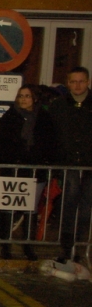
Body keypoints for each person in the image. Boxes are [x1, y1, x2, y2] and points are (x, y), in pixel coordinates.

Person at [0, 85, 55, 260]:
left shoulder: (43, 118)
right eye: (20, 96)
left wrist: (44, 162)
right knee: (8, 208)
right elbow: (2, 144)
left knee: (31, 210)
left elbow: (49, 143)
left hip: (35, 170)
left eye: (27, 96)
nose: (23, 99)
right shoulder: (9, 117)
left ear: (34, 98)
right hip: (13, 169)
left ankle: (28, 246)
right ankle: (5, 245)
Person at [49, 66, 92, 263]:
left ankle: (79, 247)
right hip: (68, 164)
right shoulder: (58, 105)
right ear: (68, 83)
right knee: (68, 205)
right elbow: (52, 135)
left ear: (88, 82)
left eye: (81, 81)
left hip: (89, 166)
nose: (77, 85)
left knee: (85, 209)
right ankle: (66, 247)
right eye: (73, 81)